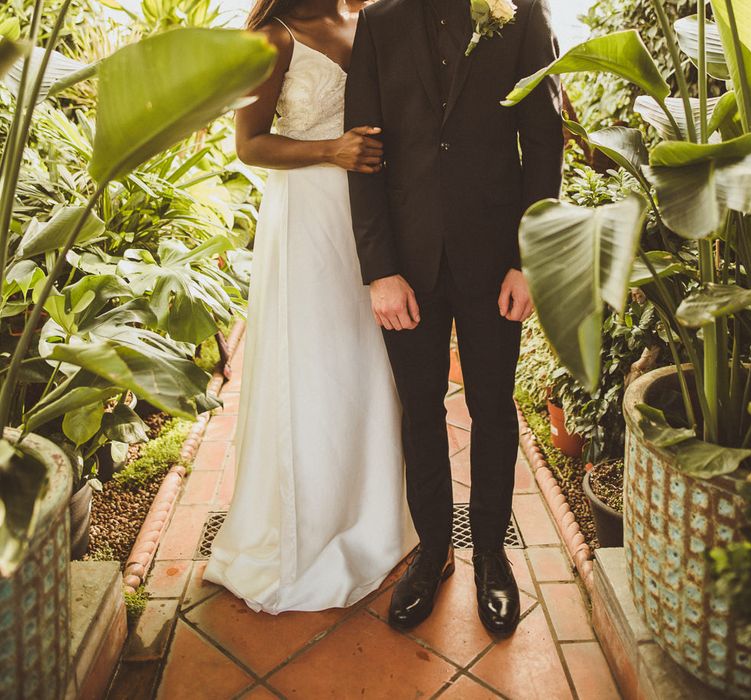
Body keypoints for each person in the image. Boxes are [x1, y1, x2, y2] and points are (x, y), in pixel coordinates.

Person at [345, 0, 563, 635]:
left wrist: (530, 258)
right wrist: (379, 269)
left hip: (496, 257)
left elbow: (545, 137)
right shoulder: (378, 23)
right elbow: (365, 155)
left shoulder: (521, 13)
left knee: (494, 406)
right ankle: (434, 551)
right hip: (408, 264)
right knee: (421, 409)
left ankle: (491, 556)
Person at [204, 0, 417, 613]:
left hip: (370, 215)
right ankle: (311, 528)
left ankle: (373, 516)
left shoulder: (367, 19)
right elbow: (249, 145)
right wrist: (331, 151)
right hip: (307, 219)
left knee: (366, 363)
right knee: (315, 365)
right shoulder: (274, 39)